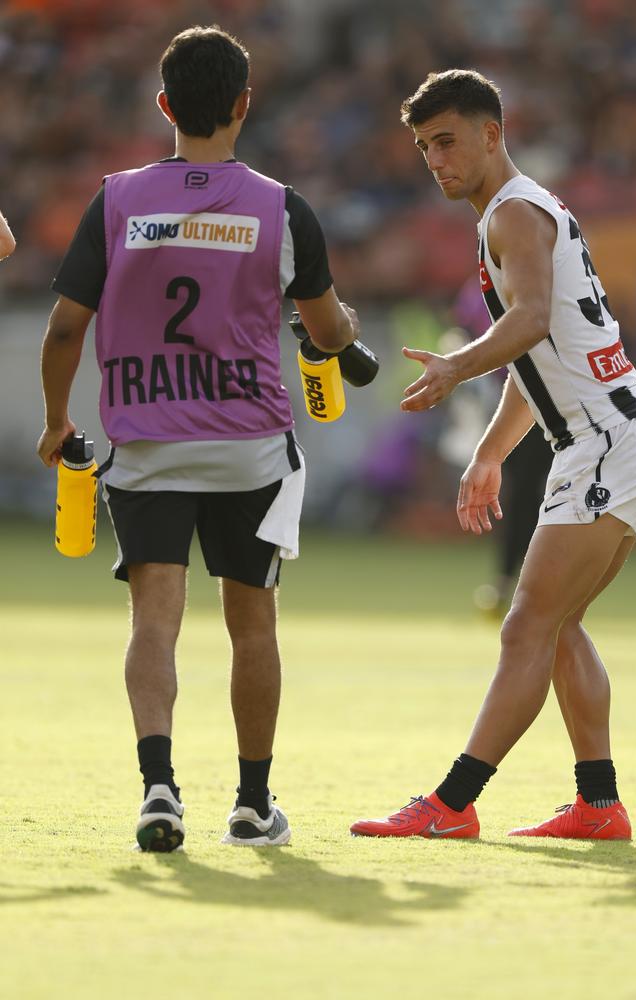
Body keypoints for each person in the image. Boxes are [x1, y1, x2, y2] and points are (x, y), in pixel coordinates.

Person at [37, 25, 358, 852]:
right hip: (249, 445)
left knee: (155, 622)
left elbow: (66, 328)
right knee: (253, 627)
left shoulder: (115, 201)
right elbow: (326, 329)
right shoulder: (281, 207)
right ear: (244, 106)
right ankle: (253, 805)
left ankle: (158, 789)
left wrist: (56, 419)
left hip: (146, 443)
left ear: (164, 105)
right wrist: (340, 326)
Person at [351, 69, 636, 841]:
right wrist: (489, 452)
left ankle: (451, 803)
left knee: (527, 626)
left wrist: (455, 367)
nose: (436, 159)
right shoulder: (525, 209)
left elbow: (526, 321)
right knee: (558, 626)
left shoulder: (512, 214)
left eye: (447, 141)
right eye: (424, 148)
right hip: (609, 433)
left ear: (492, 133)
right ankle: (597, 805)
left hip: (605, 441)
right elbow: (542, 347)